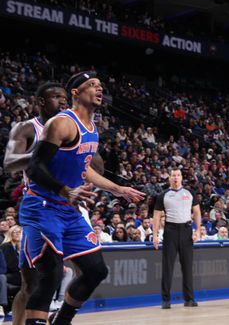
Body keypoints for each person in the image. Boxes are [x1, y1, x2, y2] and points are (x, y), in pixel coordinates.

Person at [20, 71, 143, 325]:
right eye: (92, 85)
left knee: (96, 270)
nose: (99, 89)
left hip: (68, 210)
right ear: (76, 92)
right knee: (50, 275)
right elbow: (34, 168)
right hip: (42, 207)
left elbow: (83, 169)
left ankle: (61, 320)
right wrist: (65, 190)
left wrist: (118, 189)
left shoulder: (93, 129)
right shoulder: (62, 123)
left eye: (100, 85)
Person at [3, 82, 68, 325]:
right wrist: (47, 152)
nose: (62, 101)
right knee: (31, 282)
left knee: (87, 270)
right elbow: (9, 163)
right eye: (55, 97)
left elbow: (97, 164)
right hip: (38, 206)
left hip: (67, 207)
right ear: (41, 101)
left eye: (64, 97)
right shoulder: (27, 127)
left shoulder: (72, 128)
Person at [152, 168, 200, 309]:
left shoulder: (190, 193)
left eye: (178, 175)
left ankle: (189, 299)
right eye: (173, 175)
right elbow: (156, 217)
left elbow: (196, 212)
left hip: (186, 230)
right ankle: (166, 300)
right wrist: (155, 235)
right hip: (170, 231)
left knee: (187, 267)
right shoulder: (163, 195)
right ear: (169, 178)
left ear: (181, 177)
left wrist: (197, 230)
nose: (176, 178)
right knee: (167, 266)